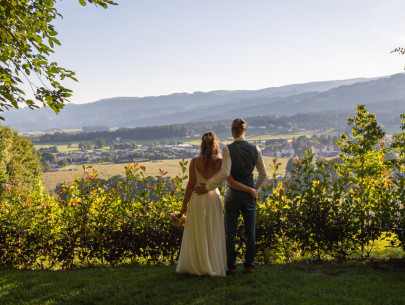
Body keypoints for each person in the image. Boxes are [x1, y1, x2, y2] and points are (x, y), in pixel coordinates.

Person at [176, 131, 257, 277]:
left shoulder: (195, 161)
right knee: (213, 231)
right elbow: (230, 181)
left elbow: (190, 185)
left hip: (197, 199)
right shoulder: (220, 161)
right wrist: (250, 190)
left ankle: (198, 264)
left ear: (201, 144)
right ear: (215, 143)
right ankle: (212, 264)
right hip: (213, 199)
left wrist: (183, 206)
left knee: (198, 231)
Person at [195, 118, 267, 274]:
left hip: (233, 195)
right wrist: (254, 189)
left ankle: (232, 266)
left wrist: (208, 186)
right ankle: (249, 265)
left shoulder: (228, 149)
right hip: (249, 196)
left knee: (231, 233)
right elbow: (263, 174)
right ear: (244, 131)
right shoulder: (256, 149)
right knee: (250, 231)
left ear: (232, 131)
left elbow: (226, 173)